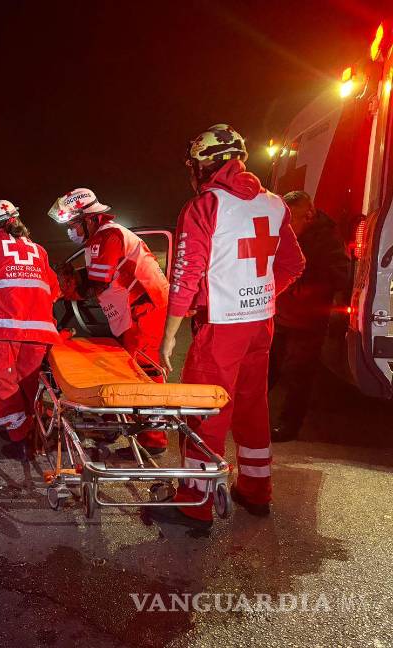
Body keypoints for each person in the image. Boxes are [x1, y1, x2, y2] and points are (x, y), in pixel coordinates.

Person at [155, 124, 305, 530]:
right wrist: (260, 291)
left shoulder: (204, 206)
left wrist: (168, 335)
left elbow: (186, 275)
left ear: (204, 165)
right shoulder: (275, 204)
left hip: (221, 326)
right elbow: (293, 264)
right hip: (261, 324)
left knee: (204, 412)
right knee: (253, 405)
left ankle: (194, 502)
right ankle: (256, 491)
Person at [48, 188, 171, 458]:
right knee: (134, 369)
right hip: (139, 307)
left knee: (144, 373)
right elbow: (99, 275)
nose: (71, 231)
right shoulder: (105, 236)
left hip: (144, 309)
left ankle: (154, 439)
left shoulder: (107, 237)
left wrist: (69, 288)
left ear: (89, 219)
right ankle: (127, 422)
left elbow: (97, 282)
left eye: (72, 225)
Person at [0, 200, 62, 459]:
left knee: (4, 385)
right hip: (40, 331)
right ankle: (32, 431)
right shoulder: (40, 250)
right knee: (29, 384)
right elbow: (54, 290)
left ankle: (20, 439)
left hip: (6, 329)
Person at [268, 192, 349, 441]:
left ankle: (289, 426)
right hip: (282, 315)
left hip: (307, 320)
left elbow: (339, 276)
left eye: (291, 220)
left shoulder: (326, 240)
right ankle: (246, 414)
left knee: (298, 375)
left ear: (309, 215)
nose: (287, 226)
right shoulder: (289, 233)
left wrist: (299, 289)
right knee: (268, 369)